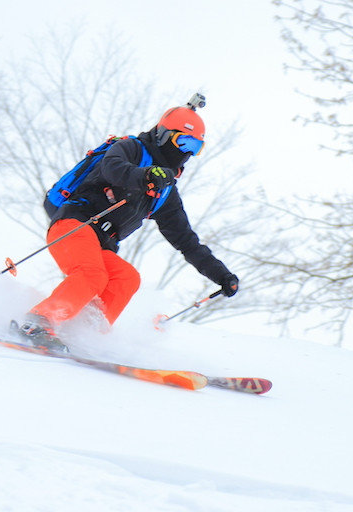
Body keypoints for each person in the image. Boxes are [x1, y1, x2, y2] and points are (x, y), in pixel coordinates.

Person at [17, 98, 239, 350]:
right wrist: (145, 176)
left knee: (126, 277)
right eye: (183, 142)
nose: (187, 152)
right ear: (164, 136)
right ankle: (39, 320)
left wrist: (221, 275)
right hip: (74, 224)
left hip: (103, 244)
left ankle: (84, 334)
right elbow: (112, 168)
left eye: (196, 147)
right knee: (93, 275)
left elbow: (187, 241)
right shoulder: (131, 148)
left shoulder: (165, 192)